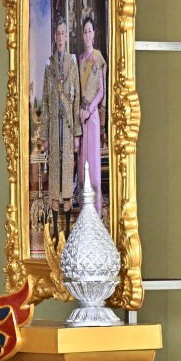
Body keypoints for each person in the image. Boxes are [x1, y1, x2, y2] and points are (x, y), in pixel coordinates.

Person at [39, 16, 81, 227]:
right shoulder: (50, 65)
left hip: (69, 127)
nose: (61, 37)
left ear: (67, 36)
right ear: (54, 38)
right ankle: (56, 229)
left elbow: (76, 99)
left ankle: (67, 228)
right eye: (58, 34)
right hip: (55, 128)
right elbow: (45, 101)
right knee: (54, 176)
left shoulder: (72, 63)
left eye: (64, 33)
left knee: (67, 176)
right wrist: (44, 136)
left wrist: (76, 135)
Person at [78, 16, 106, 216]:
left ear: (94, 34)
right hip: (81, 118)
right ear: (83, 35)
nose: (88, 35)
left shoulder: (99, 58)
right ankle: (84, 212)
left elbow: (101, 91)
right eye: (85, 31)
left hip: (93, 117)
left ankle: (95, 212)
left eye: (90, 31)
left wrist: (90, 109)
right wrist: (80, 111)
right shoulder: (79, 60)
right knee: (82, 163)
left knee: (94, 164)